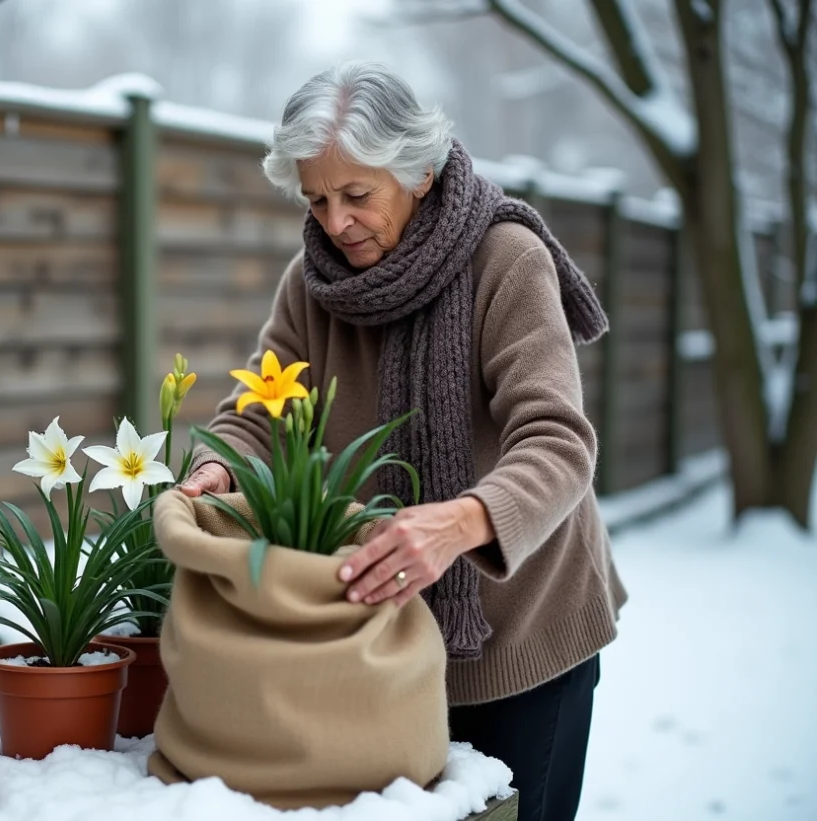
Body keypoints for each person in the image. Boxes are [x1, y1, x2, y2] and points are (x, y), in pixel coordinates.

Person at [177, 61, 628, 821]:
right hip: (380, 643)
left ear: (419, 171)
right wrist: (217, 467)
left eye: (357, 195)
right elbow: (258, 410)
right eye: (316, 198)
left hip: (523, 633)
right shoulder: (312, 282)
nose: (334, 222)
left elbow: (558, 441)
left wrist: (458, 521)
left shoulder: (508, 260)